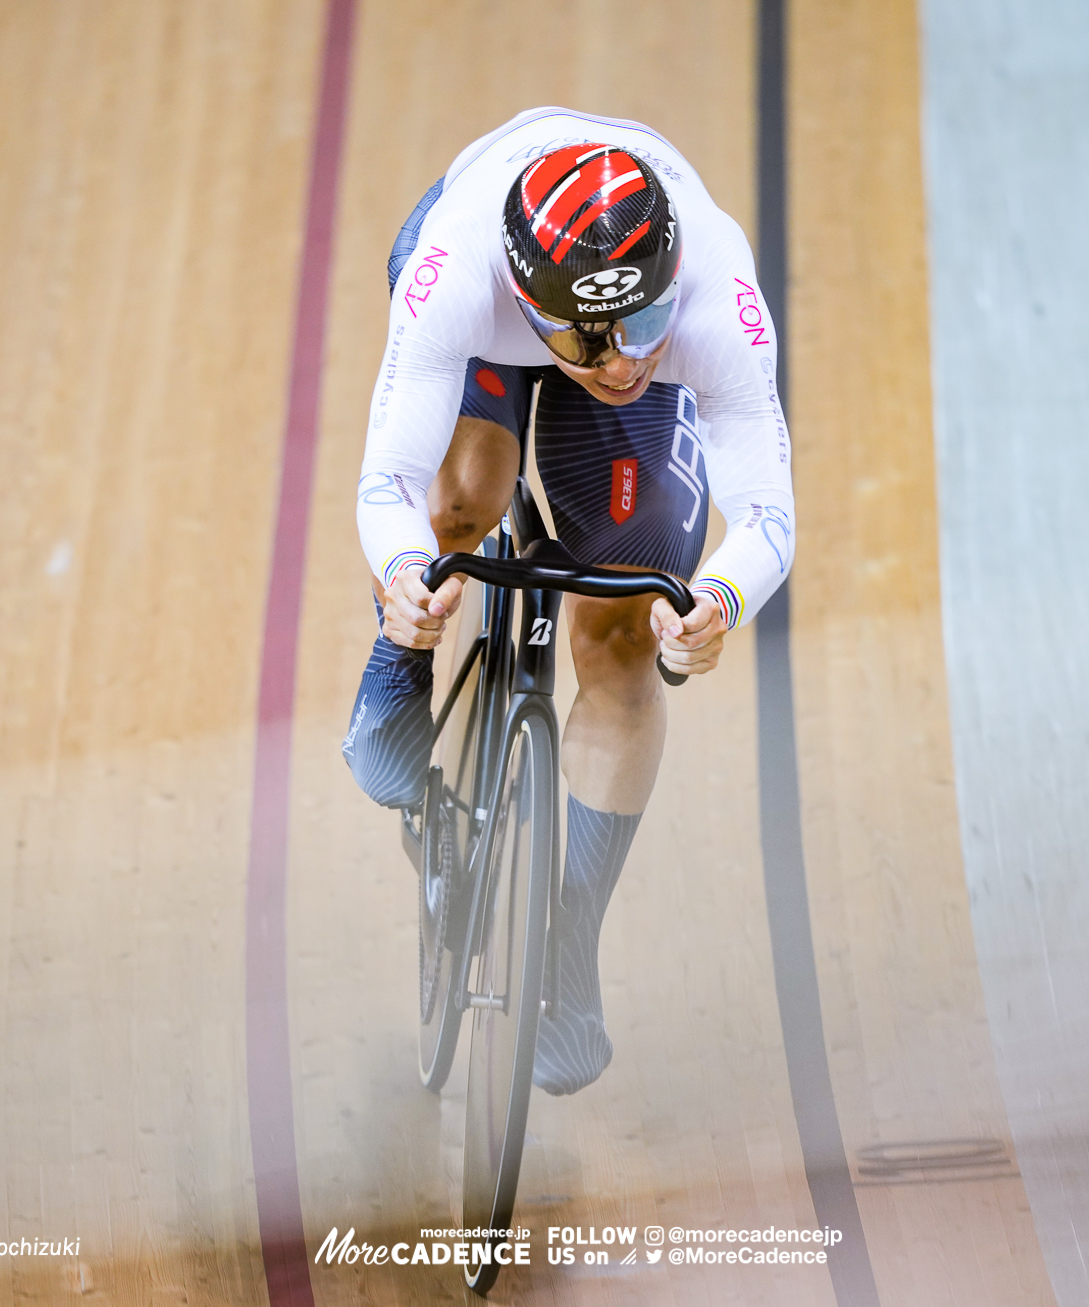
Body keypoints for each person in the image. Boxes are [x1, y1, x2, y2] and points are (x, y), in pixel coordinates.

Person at [345, 108, 794, 1095]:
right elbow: (387, 481)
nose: (626, 361)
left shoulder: (710, 298)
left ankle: (568, 937)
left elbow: (767, 513)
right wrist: (402, 579)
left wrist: (718, 596)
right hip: (487, 324)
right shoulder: (459, 274)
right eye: (592, 342)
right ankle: (401, 659)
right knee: (465, 494)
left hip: (571, 304)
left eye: (644, 324)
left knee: (628, 632)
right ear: (530, 302)